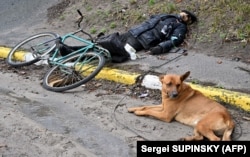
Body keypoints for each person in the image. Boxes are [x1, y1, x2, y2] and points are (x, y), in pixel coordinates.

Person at [119, 10, 197, 55]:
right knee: (111, 40)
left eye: (188, 16)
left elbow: (175, 40)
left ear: (188, 21)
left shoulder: (181, 26)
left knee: (118, 49)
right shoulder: (167, 15)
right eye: (185, 12)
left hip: (143, 40)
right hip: (134, 31)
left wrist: (161, 47)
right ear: (180, 11)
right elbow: (151, 20)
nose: (186, 15)